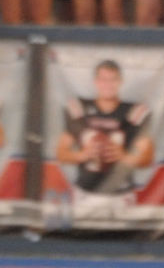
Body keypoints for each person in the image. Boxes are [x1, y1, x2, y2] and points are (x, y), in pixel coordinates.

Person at [55, 59, 155, 198]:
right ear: (95, 82)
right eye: (103, 79)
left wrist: (123, 157)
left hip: (121, 192)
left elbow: (147, 158)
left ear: (120, 82)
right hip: (86, 191)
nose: (108, 84)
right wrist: (84, 154)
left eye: (113, 79)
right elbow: (62, 154)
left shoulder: (133, 112)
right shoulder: (80, 109)